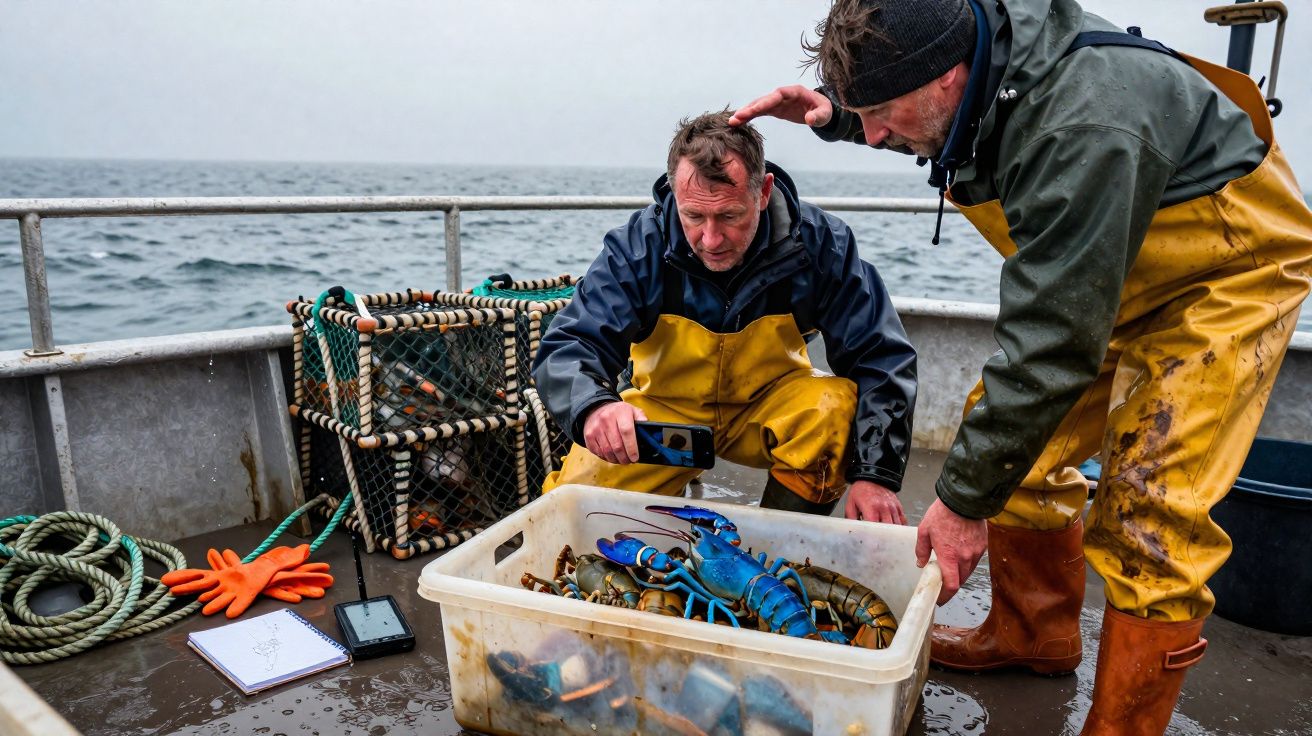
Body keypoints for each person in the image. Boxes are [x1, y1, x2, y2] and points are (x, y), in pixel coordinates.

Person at [731, 0, 1312, 732]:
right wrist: (837, 115)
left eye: (879, 112)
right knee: (1009, 448)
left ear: (947, 77)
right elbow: (1054, 319)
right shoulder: (975, 59)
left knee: (1149, 514)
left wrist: (964, 504)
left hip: (1224, 272)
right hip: (1111, 263)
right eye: (863, 113)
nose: (876, 134)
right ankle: (1033, 637)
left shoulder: (1079, 123)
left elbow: (1052, 337)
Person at [533, 110, 917, 522]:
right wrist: (595, 407)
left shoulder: (821, 244)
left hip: (769, 405)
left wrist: (875, 474)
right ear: (675, 197)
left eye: (730, 216)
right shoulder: (638, 247)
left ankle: (780, 553)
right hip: (665, 416)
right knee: (570, 511)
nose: (711, 239)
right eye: (694, 216)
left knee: (834, 408)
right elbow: (570, 345)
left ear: (764, 191)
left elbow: (880, 354)